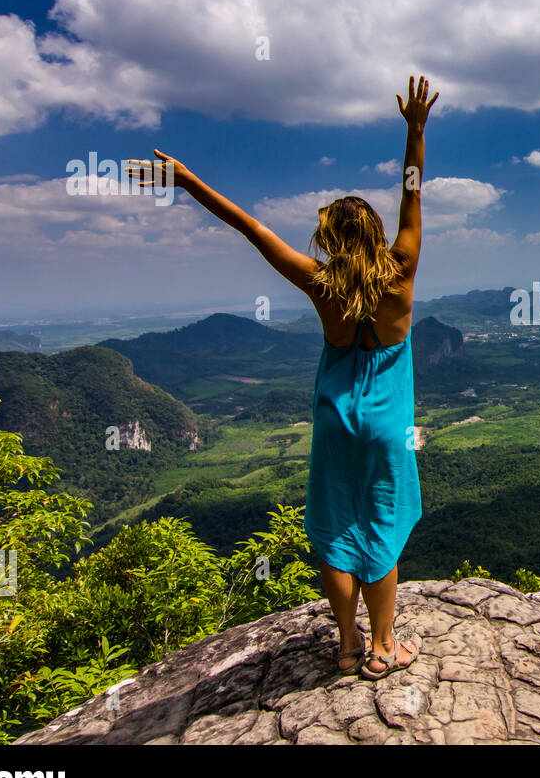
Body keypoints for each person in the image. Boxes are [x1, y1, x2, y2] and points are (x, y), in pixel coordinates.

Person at [127, 75, 439, 679]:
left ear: (329, 238)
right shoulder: (401, 268)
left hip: (333, 415)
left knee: (335, 527)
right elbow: (412, 193)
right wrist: (415, 130)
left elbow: (250, 227)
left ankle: (345, 648)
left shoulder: (320, 284)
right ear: (374, 233)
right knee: (382, 520)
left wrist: (188, 182)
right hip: (387, 422)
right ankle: (382, 649)